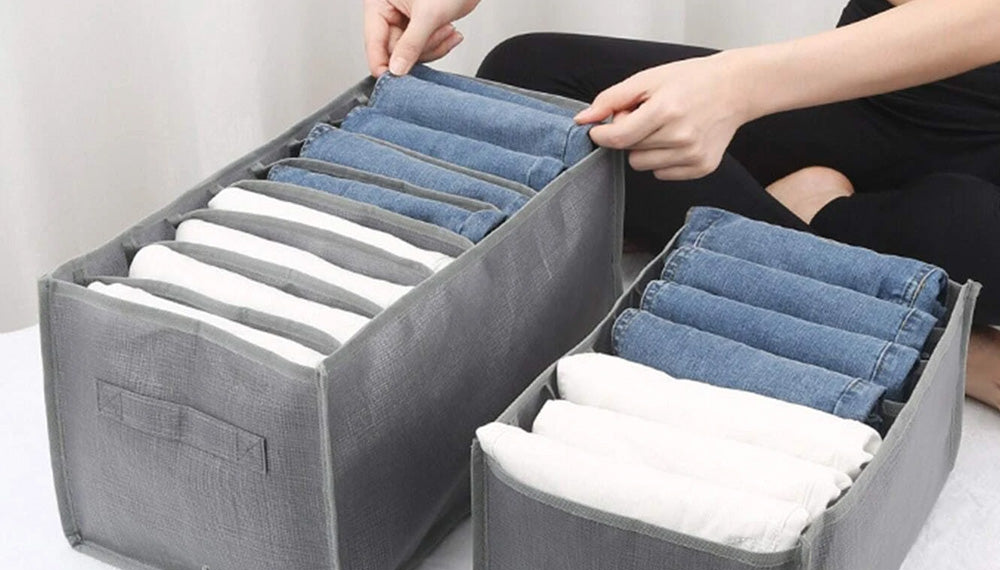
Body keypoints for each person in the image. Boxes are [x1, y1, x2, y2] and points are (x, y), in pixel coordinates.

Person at [362, 0, 1000, 412]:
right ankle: (886, 308)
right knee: (529, 76)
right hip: (867, 82)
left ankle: (828, 245)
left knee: (969, 229)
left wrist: (739, 85)